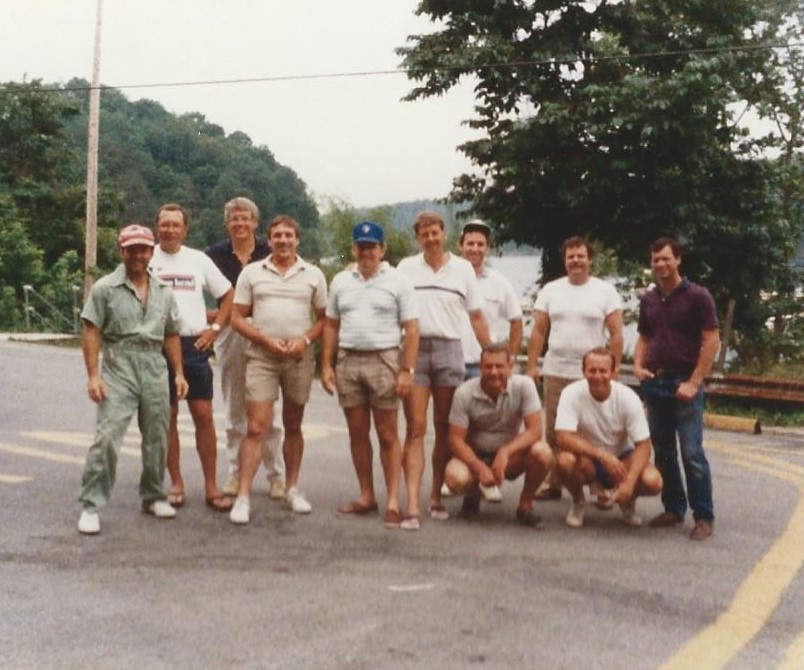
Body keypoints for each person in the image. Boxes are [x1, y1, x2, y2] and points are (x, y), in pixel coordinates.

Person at [77, 224, 189, 535]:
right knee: (107, 436)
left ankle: (153, 495)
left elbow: (171, 334)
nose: (138, 255)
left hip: (154, 364)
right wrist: (93, 375)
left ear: (152, 252)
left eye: (144, 249)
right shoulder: (105, 288)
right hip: (119, 364)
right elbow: (91, 331)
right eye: (132, 249)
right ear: (122, 251)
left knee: (157, 436)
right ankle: (91, 504)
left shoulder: (163, 290)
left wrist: (179, 373)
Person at [228, 214, 327, 524]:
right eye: (277, 235)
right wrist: (265, 340)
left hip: (298, 357)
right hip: (262, 355)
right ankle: (243, 496)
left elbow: (325, 318)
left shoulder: (313, 275)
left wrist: (305, 341)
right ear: (268, 240)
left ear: (297, 239)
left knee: (293, 424)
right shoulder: (252, 273)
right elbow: (236, 318)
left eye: (289, 235)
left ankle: (291, 488)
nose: (283, 240)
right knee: (256, 426)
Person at [321, 221, 420, 528]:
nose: (366, 252)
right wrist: (326, 365)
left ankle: (392, 500)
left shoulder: (399, 281)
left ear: (382, 249)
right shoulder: (340, 281)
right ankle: (366, 495)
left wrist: (407, 369)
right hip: (348, 359)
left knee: (388, 433)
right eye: (361, 247)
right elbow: (331, 325)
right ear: (354, 249)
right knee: (357, 432)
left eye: (372, 247)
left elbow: (412, 328)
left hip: (384, 359)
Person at [397, 211, 491, 530]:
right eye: (424, 234)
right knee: (415, 428)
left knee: (444, 429)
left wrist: (491, 352)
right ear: (417, 238)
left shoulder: (463, 269)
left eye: (435, 232)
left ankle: (435, 496)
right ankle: (412, 503)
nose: (430, 238)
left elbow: (476, 317)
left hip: (450, 350)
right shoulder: (406, 268)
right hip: (415, 349)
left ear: (444, 233)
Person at [150, 203, 234, 512]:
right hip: (158, 346)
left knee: (203, 415)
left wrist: (215, 329)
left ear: (185, 229)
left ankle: (211, 486)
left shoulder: (198, 259)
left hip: (194, 344)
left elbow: (228, 295)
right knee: (168, 417)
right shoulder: (147, 258)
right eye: (165, 224)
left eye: (176, 225)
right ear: (157, 227)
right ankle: (176, 482)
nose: (170, 230)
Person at [634, 237, 720, 541]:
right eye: (656, 259)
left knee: (692, 452)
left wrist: (694, 382)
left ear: (678, 259)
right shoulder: (649, 299)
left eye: (666, 258)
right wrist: (637, 365)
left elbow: (711, 340)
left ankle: (704, 516)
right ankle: (673, 508)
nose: (660, 264)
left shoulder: (698, 296)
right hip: (655, 383)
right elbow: (644, 337)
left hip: (685, 383)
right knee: (664, 450)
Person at [526, 236, 623, 501]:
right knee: (554, 431)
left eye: (581, 256)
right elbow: (538, 331)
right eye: (571, 256)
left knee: (592, 431)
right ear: (565, 260)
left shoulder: (605, 291)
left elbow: (616, 334)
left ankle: (596, 481)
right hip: (556, 370)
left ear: (590, 259)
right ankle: (554, 483)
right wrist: (533, 365)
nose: (576, 261)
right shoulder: (551, 290)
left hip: (593, 374)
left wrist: (613, 369)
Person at [205, 197, 285, 501]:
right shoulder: (213, 255)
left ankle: (277, 476)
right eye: (234, 218)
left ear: (255, 222)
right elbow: (195, 294)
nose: (240, 223)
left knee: (268, 408)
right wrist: (211, 319)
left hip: (265, 330)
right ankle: (235, 473)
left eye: (246, 218)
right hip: (230, 332)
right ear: (227, 223)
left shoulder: (269, 251)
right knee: (235, 407)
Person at [454, 219, 523, 503]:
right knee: (452, 428)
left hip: (482, 367)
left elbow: (517, 321)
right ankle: (456, 478)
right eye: (470, 243)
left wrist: (510, 359)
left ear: (488, 248)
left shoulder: (499, 283)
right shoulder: (450, 276)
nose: (474, 248)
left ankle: (486, 481)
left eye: (480, 244)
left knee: (481, 429)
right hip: (450, 363)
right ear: (460, 245)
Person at [445, 344, 551, 527]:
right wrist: (478, 467)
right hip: (476, 454)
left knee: (543, 452)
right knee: (456, 477)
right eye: (488, 366)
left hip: (509, 457)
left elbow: (535, 430)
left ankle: (525, 506)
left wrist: (505, 452)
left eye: (499, 366)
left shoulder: (524, 386)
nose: (494, 372)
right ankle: (472, 494)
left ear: (510, 367)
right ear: (480, 367)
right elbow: (455, 440)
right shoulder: (464, 392)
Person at [555, 347, 663, 528]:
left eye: (603, 371)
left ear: (614, 372)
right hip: (588, 459)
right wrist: (603, 456)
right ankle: (578, 501)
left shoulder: (629, 398)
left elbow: (644, 446)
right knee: (564, 461)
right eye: (592, 370)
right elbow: (562, 437)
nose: (598, 376)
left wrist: (629, 483)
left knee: (653, 481)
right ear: (583, 371)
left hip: (621, 458)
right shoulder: (570, 393)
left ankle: (626, 498)